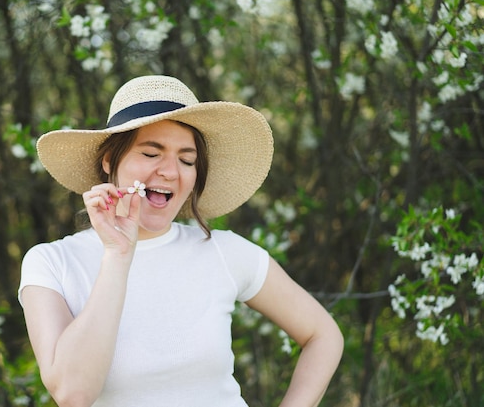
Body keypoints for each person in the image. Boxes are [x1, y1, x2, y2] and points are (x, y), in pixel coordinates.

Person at [18, 75, 343, 407]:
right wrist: (118, 254)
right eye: (150, 153)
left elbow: (323, 335)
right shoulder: (52, 263)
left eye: (187, 160)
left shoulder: (224, 252)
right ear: (108, 161)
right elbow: (73, 393)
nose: (171, 171)